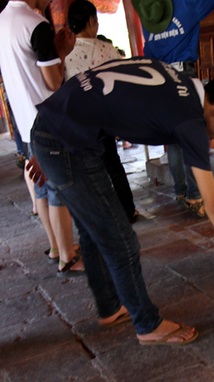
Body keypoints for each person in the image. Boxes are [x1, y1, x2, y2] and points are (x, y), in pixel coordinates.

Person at [26, 57, 214, 345]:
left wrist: (47, 133)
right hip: (63, 141)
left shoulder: (175, 78)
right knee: (121, 240)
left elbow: (92, 84)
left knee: (94, 227)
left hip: (59, 129)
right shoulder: (189, 118)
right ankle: (147, 325)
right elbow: (212, 200)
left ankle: (110, 307)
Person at [0, 0, 85, 276]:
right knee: (59, 189)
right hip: (46, 119)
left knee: (42, 188)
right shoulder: (35, 24)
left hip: (25, 122)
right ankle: (68, 257)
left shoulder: (4, 20)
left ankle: (56, 247)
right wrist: (63, 51)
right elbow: (53, 81)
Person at [133, 0, 214, 218]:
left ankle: (181, 192)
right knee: (192, 137)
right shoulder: (185, 5)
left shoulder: (149, 11)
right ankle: (195, 195)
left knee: (174, 139)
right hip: (183, 76)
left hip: (159, 79)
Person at [65, 0, 138, 223]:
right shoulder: (106, 49)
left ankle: (100, 214)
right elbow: (123, 83)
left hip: (78, 121)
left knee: (89, 170)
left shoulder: (64, 54)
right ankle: (127, 209)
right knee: (112, 165)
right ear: (90, 21)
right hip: (103, 118)